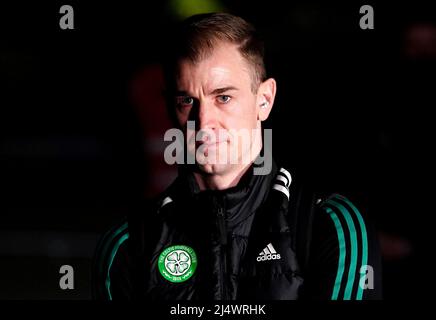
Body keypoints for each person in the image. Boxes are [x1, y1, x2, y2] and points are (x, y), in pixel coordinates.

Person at [92, 12, 382, 300]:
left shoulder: (331, 226)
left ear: (264, 99)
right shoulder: (128, 245)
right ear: (170, 106)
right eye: (186, 100)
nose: (204, 122)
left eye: (224, 97)